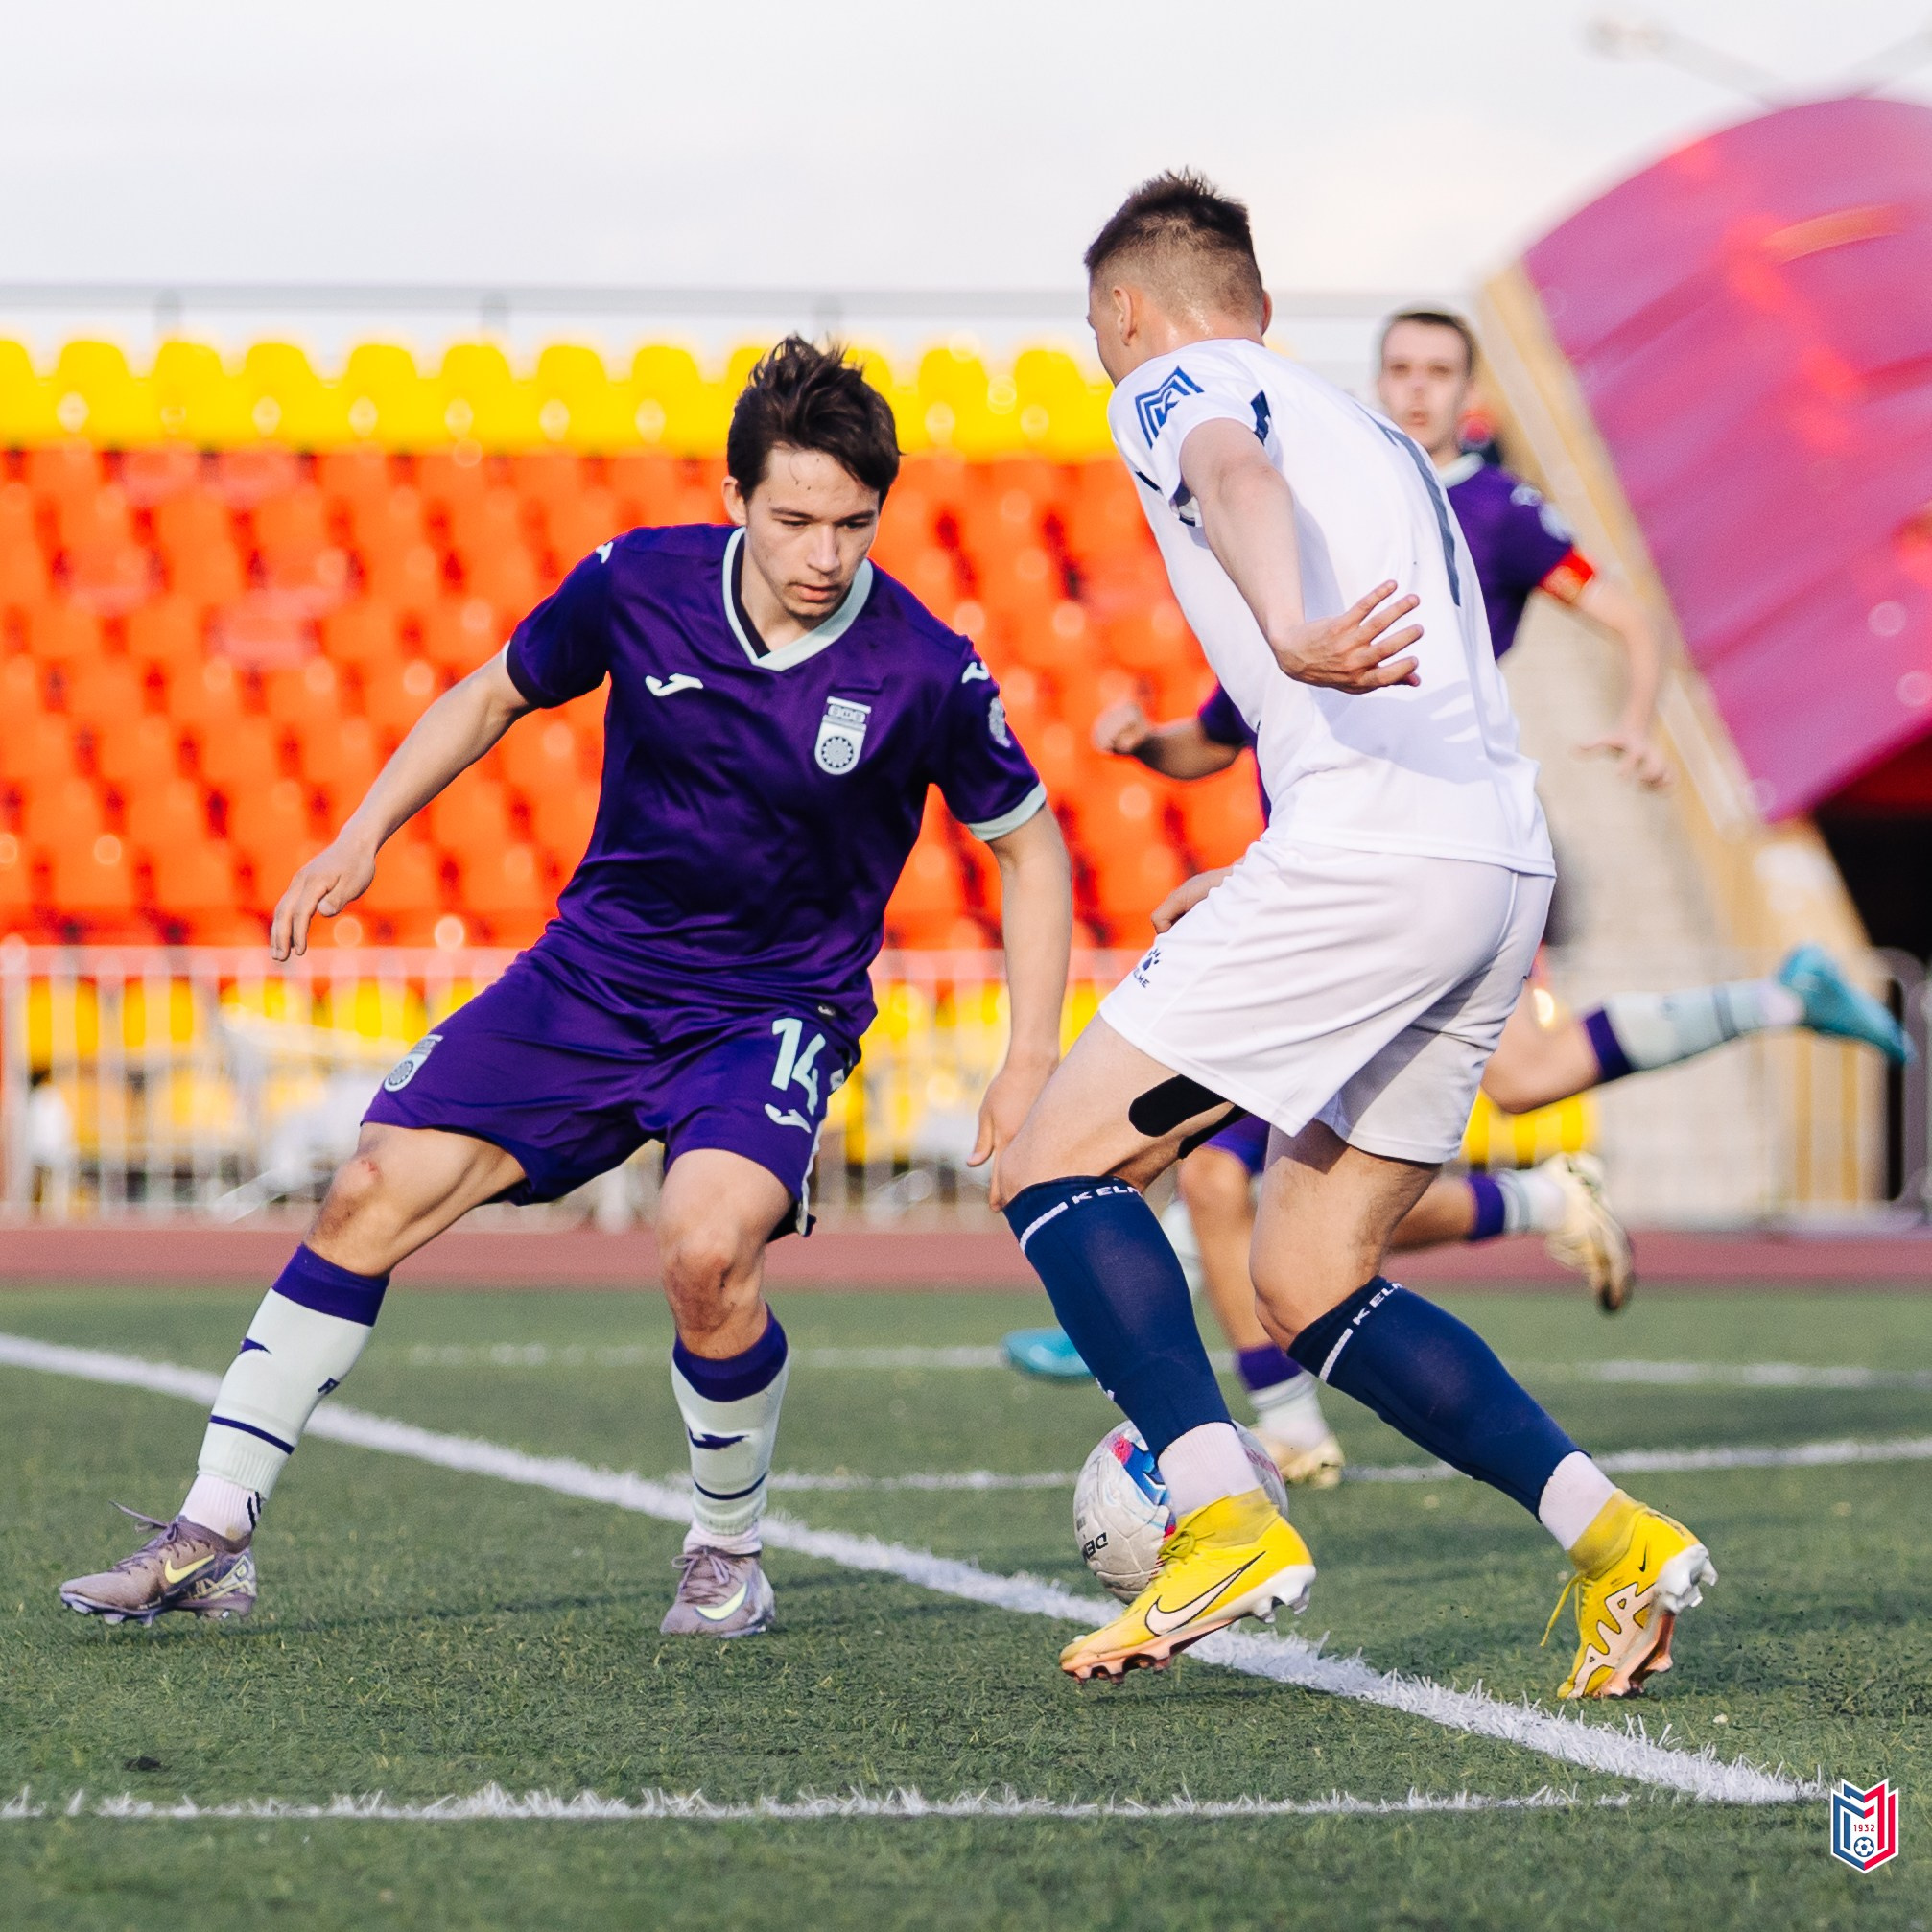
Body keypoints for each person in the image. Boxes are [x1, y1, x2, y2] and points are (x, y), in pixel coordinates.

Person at [59, 338, 1072, 1639]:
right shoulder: (638, 583)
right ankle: (211, 1533)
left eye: (853, 524)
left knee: (706, 1248)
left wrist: (1028, 1053)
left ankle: (724, 1551)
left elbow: (1027, 842)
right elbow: (492, 694)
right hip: (593, 977)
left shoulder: (923, 664)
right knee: (369, 1187)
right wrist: (363, 833)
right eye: (795, 519)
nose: (825, 553)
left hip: (769, 1011)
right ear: (734, 499)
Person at [993, 170, 1713, 1700]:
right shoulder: (1372, 435)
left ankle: (1222, 1511)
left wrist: (1286, 628)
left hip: (1374, 863)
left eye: (1094, 326)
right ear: (1259, 301)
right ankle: (1617, 1541)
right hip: (1490, 868)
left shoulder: (1173, 381)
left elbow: (1223, 475)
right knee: (1308, 1272)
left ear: (1129, 310)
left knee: (1049, 1160)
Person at [1002, 308, 1910, 1440]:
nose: (1416, 389)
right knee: (1259, 1172)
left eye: (1438, 371)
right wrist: (1154, 753)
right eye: (1398, 369)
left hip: (1426, 863)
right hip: (1327, 872)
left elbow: (1625, 611)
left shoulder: (1475, 508)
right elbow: (1228, 725)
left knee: (1456, 1096)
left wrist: (1635, 720)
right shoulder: (1334, 506)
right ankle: (1255, 1386)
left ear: (1470, 389)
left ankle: (1213, 1379)